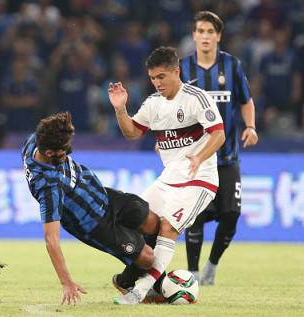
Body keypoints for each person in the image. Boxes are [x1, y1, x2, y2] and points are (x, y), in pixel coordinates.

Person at [108, 46, 225, 304]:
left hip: (199, 179)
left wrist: (199, 156)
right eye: (152, 78)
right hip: (168, 180)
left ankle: (139, 291)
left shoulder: (197, 98)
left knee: (168, 227)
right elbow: (132, 133)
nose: (157, 83)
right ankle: (149, 282)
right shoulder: (153, 104)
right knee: (135, 219)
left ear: (176, 71)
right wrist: (120, 109)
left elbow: (218, 134)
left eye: (161, 76)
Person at [21, 111, 160, 305]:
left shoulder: (37, 141)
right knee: (147, 258)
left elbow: (48, 130)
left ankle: (147, 268)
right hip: (95, 224)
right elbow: (51, 239)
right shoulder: (47, 186)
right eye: (64, 152)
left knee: (154, 223)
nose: (68, 152)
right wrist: (66, 282)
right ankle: (125, 281)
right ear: (49, 153)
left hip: (104, 195)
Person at [179, 11, 258, 285]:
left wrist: (250, 126)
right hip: (195, 159)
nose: (205, 36)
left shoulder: (232, 66)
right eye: (200, 31)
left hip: (227, 157)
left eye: (210, 32)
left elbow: (246, 101)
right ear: (193, 35)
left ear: (218, 36)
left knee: (231, 215)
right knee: (195, 218)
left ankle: (211, 265)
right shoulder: (182, 70)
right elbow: (170, 107)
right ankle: (193, 273)